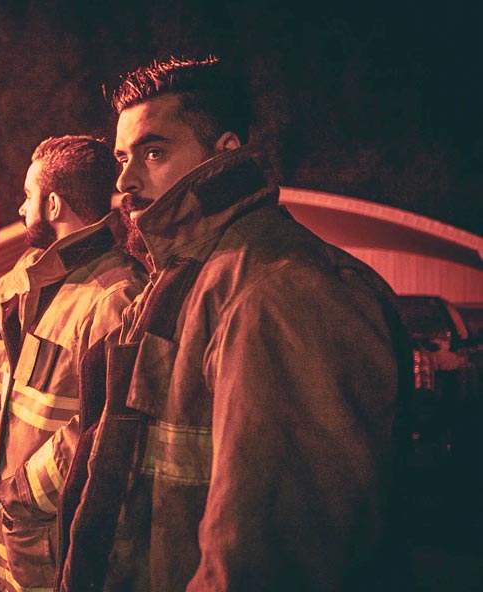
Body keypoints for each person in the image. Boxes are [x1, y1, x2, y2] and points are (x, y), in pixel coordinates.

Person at [59, 57, 414, 591]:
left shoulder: (282, 289)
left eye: (154, 152)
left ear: (225, 152)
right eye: (123, 157)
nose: (125, 180)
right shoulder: (181, 279)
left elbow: (271, 558)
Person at [0, 135, 147, 591]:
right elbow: (46, 380)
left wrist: (22, 494)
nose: (22, 209)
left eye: (28, 195)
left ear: (53, 204)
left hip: (48, 541)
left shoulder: (115, 297)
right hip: (11, 535)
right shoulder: (52, 282)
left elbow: (110, 428)